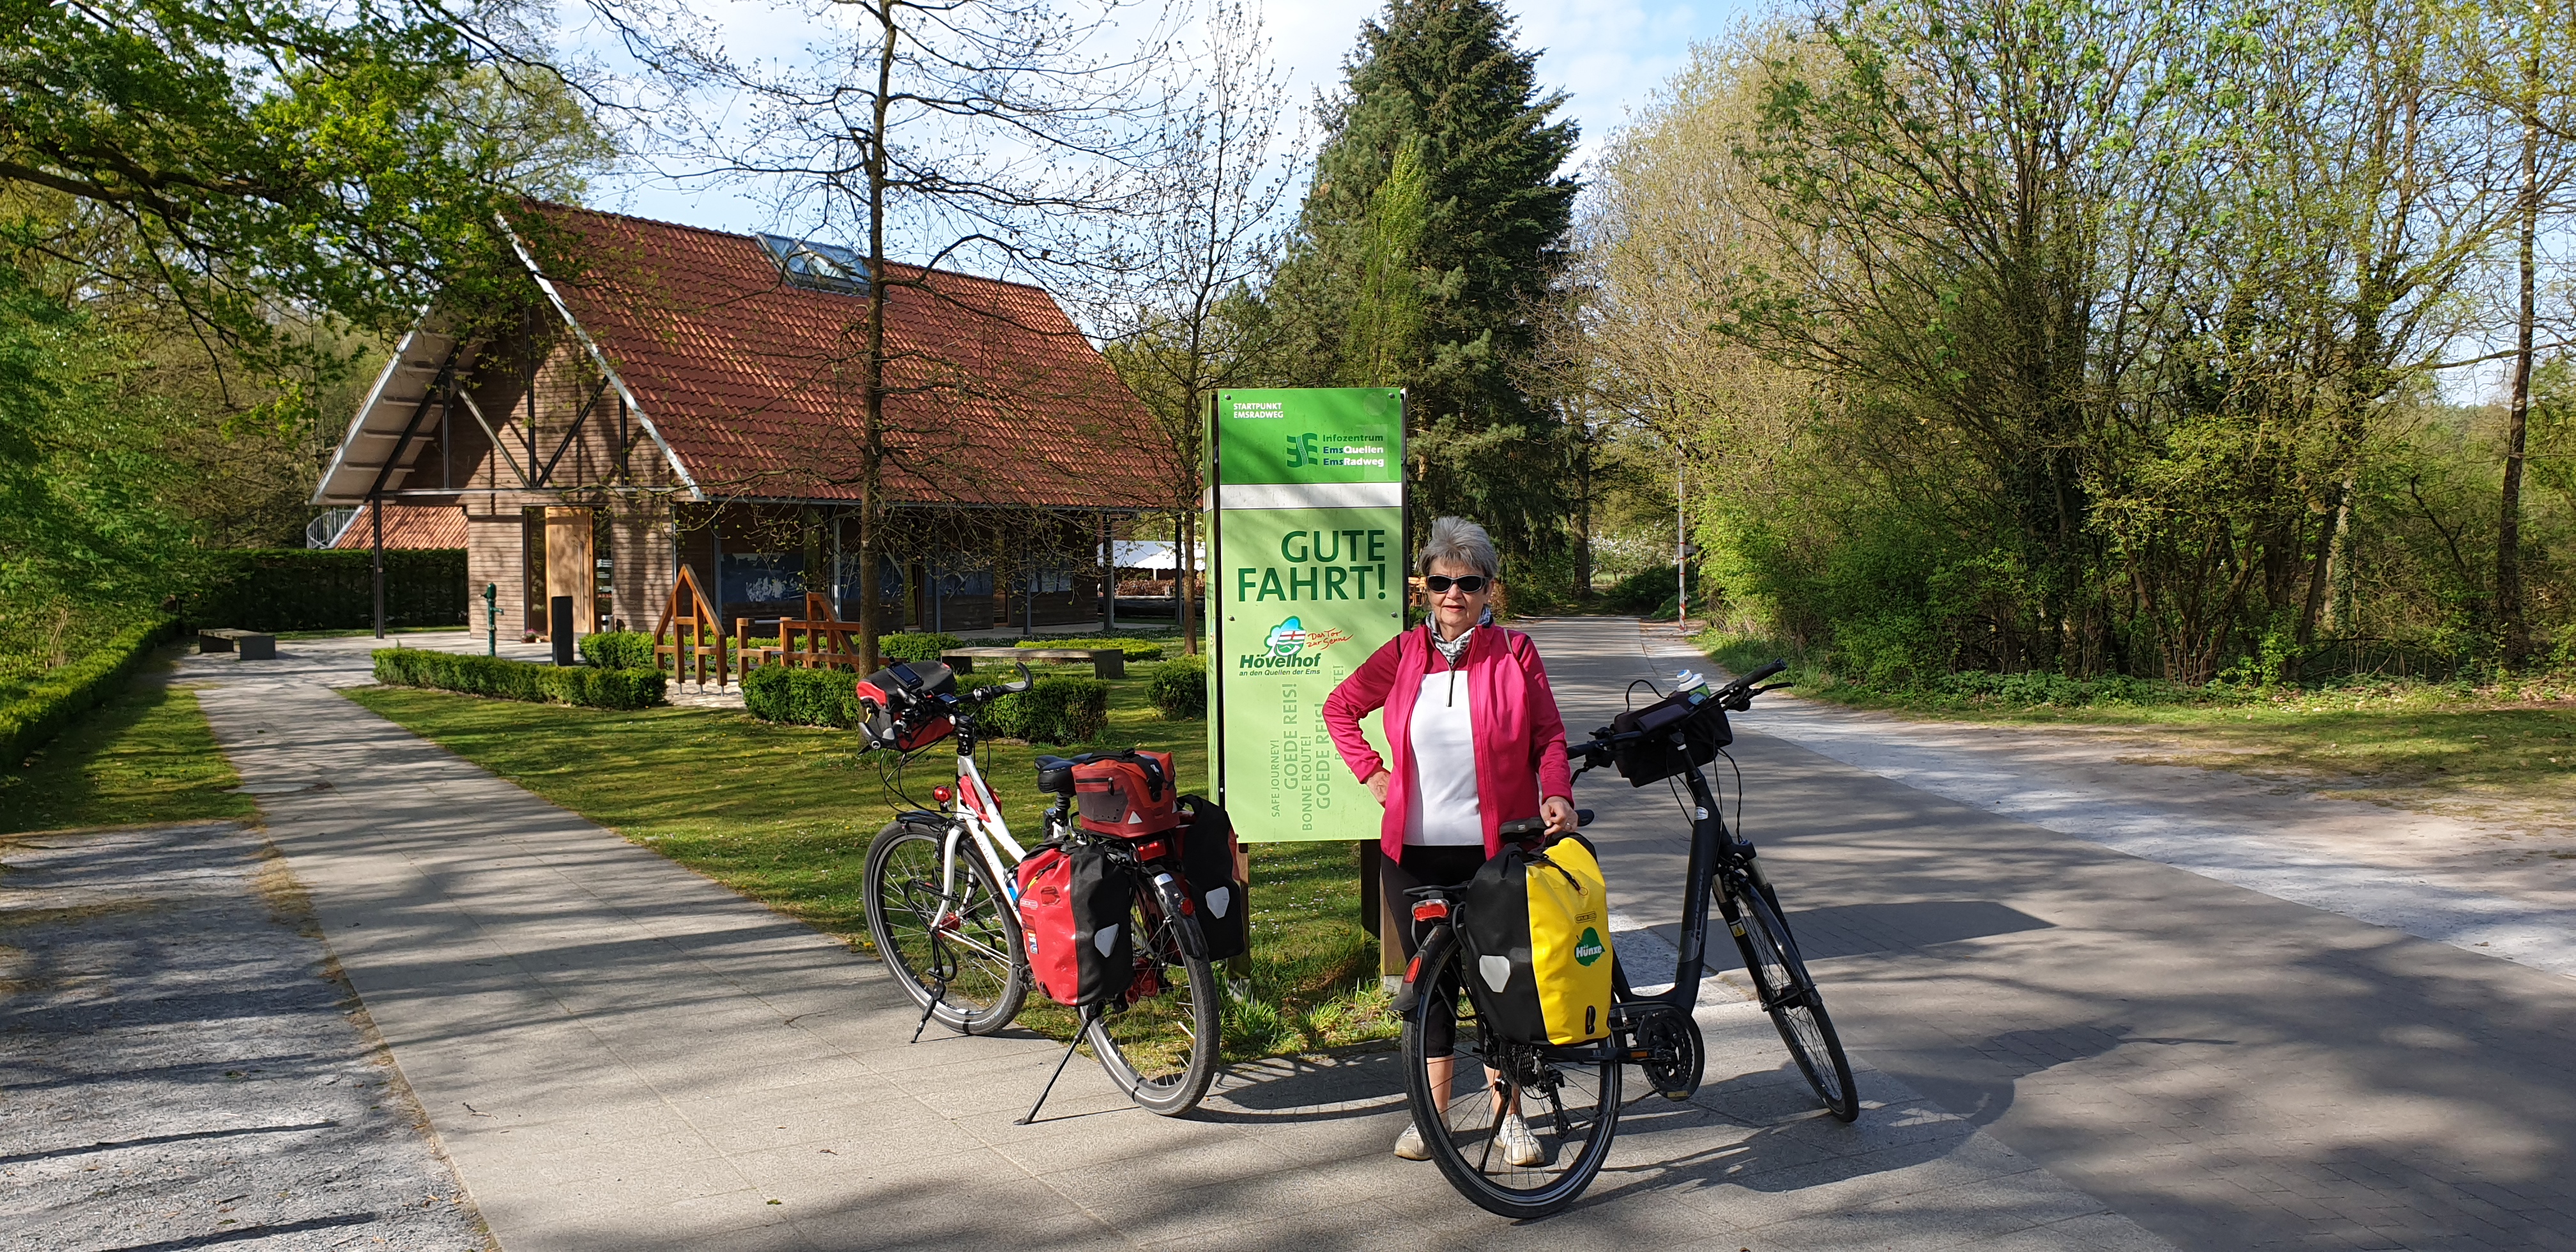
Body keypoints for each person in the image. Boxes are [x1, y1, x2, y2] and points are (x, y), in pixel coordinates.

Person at [1322, 516, 1577, 1164]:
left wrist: (1556, 792)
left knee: (1501, 983)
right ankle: (1433, 1119)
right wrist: (1372, 773)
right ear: (1424, 588)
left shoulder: (1515, 654)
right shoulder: (1404, 654)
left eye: (1469, 582)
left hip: (1494, 854)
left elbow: (1549, 736)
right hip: (1412, 857)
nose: (1454, 594)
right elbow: (1339, 707)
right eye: (1441, 581)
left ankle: (1509, 1117)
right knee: (1430, 990)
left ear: (1490, 589)